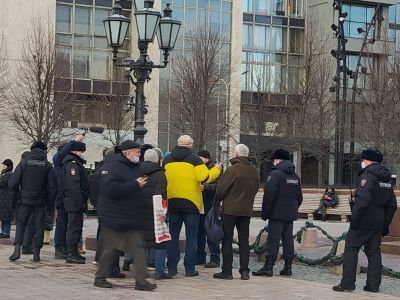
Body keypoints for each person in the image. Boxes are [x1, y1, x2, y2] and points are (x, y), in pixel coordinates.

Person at [94, 140, 156, 291]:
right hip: (116, 216)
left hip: (130, 216)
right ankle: (100, 277)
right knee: (111, 249)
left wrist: (138, 185)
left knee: (138, 247)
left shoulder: (132, 166)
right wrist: (135, 185)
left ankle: (141, 280)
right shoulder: (113, 166)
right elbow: (111, 190)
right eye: (137, 152)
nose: (139, 155)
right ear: (127, 153)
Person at [333, 149, 397, 293]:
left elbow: (363, 201)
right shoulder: (386, 179)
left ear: (368, 161)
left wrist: (355, 220)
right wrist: (384, 225)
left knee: (350, 249)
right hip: (377, 223)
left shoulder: (367, 177)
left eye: (363, 160)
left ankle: (347, 284)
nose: (361, 162)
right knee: (374, 253)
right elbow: (392, 204)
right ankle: (373, 286)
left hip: (362, 221)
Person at [164, 135, 222, 277]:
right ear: (191, 145)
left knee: (173, 236)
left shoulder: (167, 159)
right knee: (191, 237)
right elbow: (204, 178)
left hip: (172, 202)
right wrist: (217, 170)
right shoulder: (195, 159)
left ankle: (171, 268)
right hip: (191, 204)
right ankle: (189, 269)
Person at [253, 149, 302, 277]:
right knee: (288, 240)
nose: (273, 162)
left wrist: (265, 213)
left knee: (273, 240)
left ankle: (268, 267)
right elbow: (299, 197)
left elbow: (269, 196)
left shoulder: (275, 175)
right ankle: (288, 267)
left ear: (277, 159)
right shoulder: (295, 176)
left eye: (274, 160)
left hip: (276, 213)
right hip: (290, 214)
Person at [213, 144, 259, 281]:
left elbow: (220, 191)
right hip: (246, 210)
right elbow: (255, 188)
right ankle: (244, 271)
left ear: (237, 154)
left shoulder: (233, 170)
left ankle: (227, 271)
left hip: (230, 210)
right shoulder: (253, 171)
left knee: (227, 239)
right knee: (244, 241)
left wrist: (219, 199)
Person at [9, 141, 56, 262]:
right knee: (39, 226)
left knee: (21, 224)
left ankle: (17, 250)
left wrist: (13, 202)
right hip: (40, 202)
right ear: (44, 150)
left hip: (24, 200)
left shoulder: (24, 163)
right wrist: (50, 205)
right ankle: (36, 254)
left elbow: (13, 183)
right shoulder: (47, 165)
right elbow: (52, 188)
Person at [140, 149, 171, 280]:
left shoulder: (137, 171)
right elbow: (162, 195)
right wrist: (163, 212)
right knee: (160, 241)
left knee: (141, 242)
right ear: (157, 160)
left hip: (139, 211)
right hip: (155, 211)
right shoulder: (160, 175)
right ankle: (159, 271)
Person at [53, 135, 85, 259]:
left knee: (69, 224)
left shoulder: (64, 162)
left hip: (66, 196)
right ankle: (60, 248)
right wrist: (74, 141)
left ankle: (67, 248)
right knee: (62, 222)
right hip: (62, 197)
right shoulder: (59, 160)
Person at [61, 141, 89, 264]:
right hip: (74, 200)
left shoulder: (75, 163)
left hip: (75, 200)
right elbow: (74, 185)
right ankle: (71, 254)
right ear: (76, 151)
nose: (83, 154)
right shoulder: (72, 164)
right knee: (73, 228)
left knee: (77, 227)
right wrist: (79, 202)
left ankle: (75, 252)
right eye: (82, 152)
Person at [196, 149, 222, 268]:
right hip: (200, 205)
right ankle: (200, 256)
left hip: (210, 205)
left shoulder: (216, 168)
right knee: (200, 232)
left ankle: (215, 258)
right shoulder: (199, 167)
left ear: (205, 158)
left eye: (199, 158)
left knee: (211, 232)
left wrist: (205, 187)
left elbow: (219, 186)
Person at [0, 159, 13, 238]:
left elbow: (2, 183)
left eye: (4, 165)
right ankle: (3, 231)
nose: (3, 166)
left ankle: (6, 232)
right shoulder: (4, 174)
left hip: (7, 198)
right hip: (3, 198)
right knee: (3, 216)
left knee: (6, 217)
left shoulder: (9, 174)